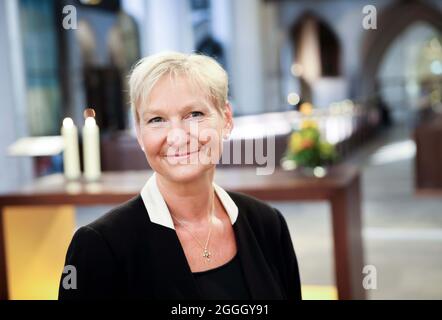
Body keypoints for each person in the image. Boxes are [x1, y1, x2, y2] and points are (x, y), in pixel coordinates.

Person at [58, 52, 302, 300]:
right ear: (140, 133)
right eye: (157, 119)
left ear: (226, 119)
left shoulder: (268, 224)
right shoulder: (99, 246)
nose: (177, 136)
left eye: (194, 114)